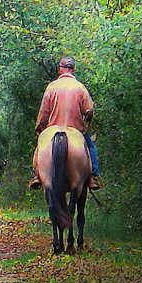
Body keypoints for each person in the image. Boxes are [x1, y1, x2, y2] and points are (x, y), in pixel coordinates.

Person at [31, 56, 100, 190]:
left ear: (60, 69)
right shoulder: (80, 87)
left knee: (40, 148)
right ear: (73, 69)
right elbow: (90, 109)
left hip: (53, 128)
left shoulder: (52, 87)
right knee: (90, 147)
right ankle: (93, 176)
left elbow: (44, 111)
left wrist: (39, 126)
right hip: (76, 128)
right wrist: (87, 117)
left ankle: (37, 175)